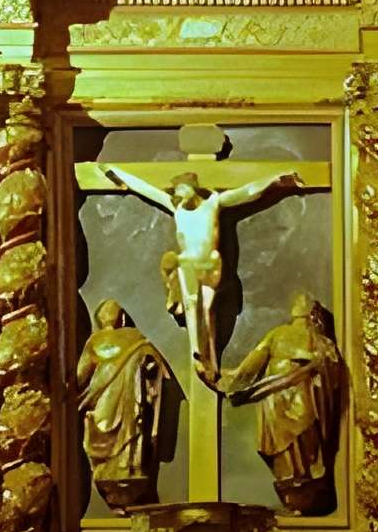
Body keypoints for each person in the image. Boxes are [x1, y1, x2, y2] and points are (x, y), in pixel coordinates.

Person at [100, 162, 303, 384]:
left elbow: (248, 192)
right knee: (191, 303)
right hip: (188, 263)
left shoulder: (212, 204)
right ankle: (197, 351)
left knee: (208, 310)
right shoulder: (176, 209)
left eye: (180, 189)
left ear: (191, 187)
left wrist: (277, 180)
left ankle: (212, 359)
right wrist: (117, 174)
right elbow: (146, 189)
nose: (177, 194)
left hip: (211, 264)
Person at [217, 292, 343, 513]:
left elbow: (244, 372)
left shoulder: (309, 340)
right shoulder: (292, 338)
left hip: (294, 404)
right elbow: (246, 371)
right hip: (283, 405)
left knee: (300, 453)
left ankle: (302, 495)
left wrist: (219, 376)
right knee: (297, 454)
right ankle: (298, 493)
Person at [76, 297, 173, 509]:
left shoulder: (95, 342)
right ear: (121, 319)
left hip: (101, 408)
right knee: (131, 438)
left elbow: (79, 378)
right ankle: (128, 469)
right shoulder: (138, 338)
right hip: (130, 407)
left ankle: (116, 478)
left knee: (101, 447)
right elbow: (157, 369)